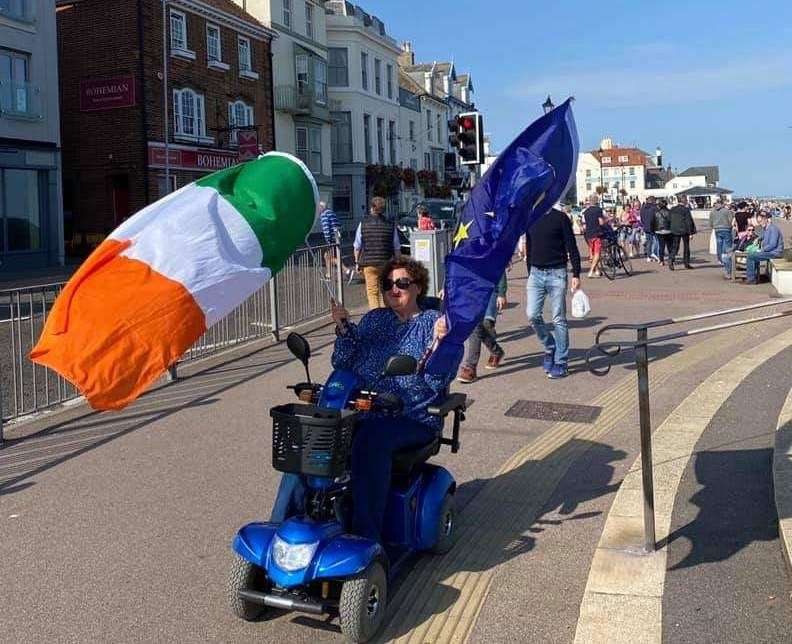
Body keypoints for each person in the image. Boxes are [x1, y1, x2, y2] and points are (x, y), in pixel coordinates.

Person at [270, 257, 455, 542]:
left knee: (370, 440)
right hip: (361, 410)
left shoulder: (434, 324)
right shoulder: (375, 319)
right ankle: (278, 528)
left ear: (418, 287)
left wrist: (441, 344)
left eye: (402, 283)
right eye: (388, 284)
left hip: (410, 416)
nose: (394, 289)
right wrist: (343, 327)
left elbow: (436, 381)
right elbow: (342, 360)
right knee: (310, 442)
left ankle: (365, 537)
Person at [524, 206, 582, 379]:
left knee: (558, 318)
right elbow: (529, 244)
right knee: (532, 314)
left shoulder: (561, 218)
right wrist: (529, 273)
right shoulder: (531, 217)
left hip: (557, 272)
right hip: (535, 273)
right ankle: (550, 346)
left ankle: (561, 361)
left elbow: (572, 246)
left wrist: (576, 274)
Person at [456, 271, 508, 383]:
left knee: (486, 324)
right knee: (475, 327)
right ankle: (471, 367)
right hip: (472, 293)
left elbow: (500, 269)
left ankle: (495, 352)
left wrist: (501, 293)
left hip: (491, 291)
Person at [353, 196, 401, 310]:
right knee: (386, 290)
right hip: (386, 263)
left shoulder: (363, 224)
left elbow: (357, 246)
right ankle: (387, 316)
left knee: (372, 292)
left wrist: (357, 262)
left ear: (372, 208)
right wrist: (398, 263)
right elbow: (396, 247)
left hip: (369, 263)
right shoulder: (390, 224)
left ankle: (376, 318)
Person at [744, 211, 785, 285]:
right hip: (770, 252)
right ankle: (754, 276)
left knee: (751, 256)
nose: (760, 223)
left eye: (761, 221)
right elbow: (764, 235)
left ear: (766, 219)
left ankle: (751, 279)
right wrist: (758, 238)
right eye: (759, 222)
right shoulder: (767, 228)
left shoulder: (773, 229)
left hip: (775, 253)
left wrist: (762, 250)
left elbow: (773, 244)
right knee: (753, 255)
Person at [668, 196, 696, 270]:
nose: (687, 201)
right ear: (684, 201)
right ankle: (686, 263)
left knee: (675, 246)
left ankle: (671, 259)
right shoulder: (686, 210)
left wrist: (671, 228)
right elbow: (688, 222)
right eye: (686, 200)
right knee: (686, 247)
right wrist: (690, 233)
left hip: (675, 230)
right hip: (685, 230)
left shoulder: (672, 209)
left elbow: (669, 219)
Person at [583, 195, 606, 278]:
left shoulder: (586, 211)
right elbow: (601, 222)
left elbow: (585, 223)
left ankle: (597, 271)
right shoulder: (598, 210)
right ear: (597, 201)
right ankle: (591, 271)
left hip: (588, 234)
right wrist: (606, 220)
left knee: (592, 253)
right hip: (597, 233)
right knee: (597, 253)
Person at [318, 201, 341, 278]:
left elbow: (326, 228)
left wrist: (328, 240)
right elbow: (339, 224)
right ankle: (328, 274)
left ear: (321, 208)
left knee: (331, 257)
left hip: (331, 239)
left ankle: (347, 270)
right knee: (326, 256)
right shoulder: (332, 213)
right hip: (336, 237)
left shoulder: (324, 215)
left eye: (319, 208)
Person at [709, 198, 733, 270]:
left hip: (717, 229)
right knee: (727, 245)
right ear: (722, 204)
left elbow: (711, 221)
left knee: (719, 244)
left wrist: (713, 226)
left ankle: (720, 259)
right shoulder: (726, 211)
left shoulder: (712, 211)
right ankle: (727, 259)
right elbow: (730, 220)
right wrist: (729, 226)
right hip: (726, 228)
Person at [652, 199, 673, 265]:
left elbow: (652, 222)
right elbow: (672, 222)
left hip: (659, 231)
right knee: (669, 246)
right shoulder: (670, 212)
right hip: (668, 230)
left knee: (661, 246)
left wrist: (653, 230)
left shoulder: (656, 212)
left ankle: (661, 261)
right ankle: (671, 259)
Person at [640, 196, 660, 262]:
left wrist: (644, 224)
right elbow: (656, 218)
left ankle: (648, 257)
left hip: (646, 227)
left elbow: (641, 218)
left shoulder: (643, 208)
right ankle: (654, 254)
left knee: (649, 242)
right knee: (656, 241)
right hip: (654, 227)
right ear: (653, 201)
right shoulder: (654, 208)